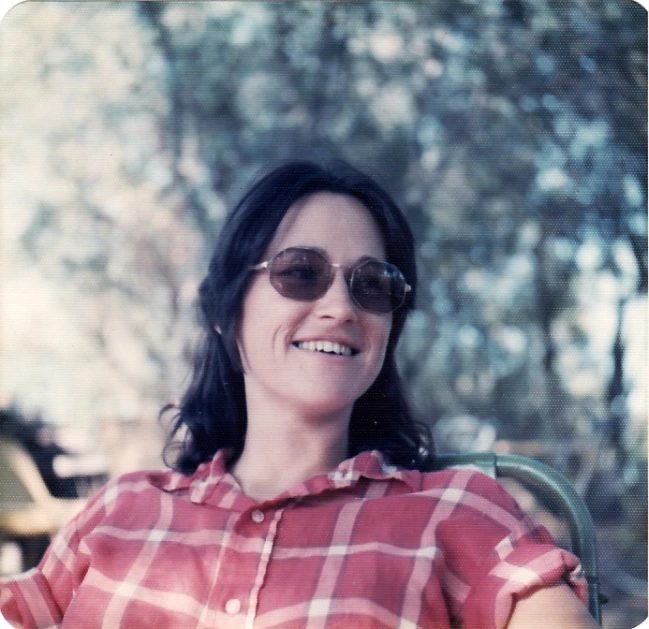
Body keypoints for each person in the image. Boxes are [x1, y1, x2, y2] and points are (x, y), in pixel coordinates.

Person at [0, 160, 598, 629]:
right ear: (226, 309)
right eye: (300, 272)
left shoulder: (460, 511)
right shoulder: (118, 512)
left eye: (373, 284)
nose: (340, 307)